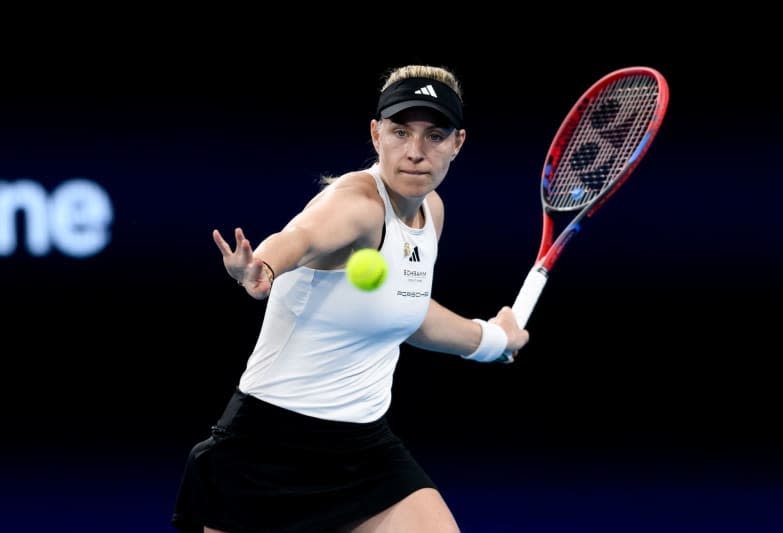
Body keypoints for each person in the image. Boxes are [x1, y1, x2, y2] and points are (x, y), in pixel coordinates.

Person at [172, 64, 530, 533]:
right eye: (400, 132)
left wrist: (490, 339)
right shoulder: (355, 204)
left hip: (365, 451)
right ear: (376, 133)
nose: (415, 153)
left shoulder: (431, 212)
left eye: (434, 136)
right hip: (268, 449)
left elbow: (408, 312)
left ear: (457, 143)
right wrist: (262, 268)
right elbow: (300, 236)